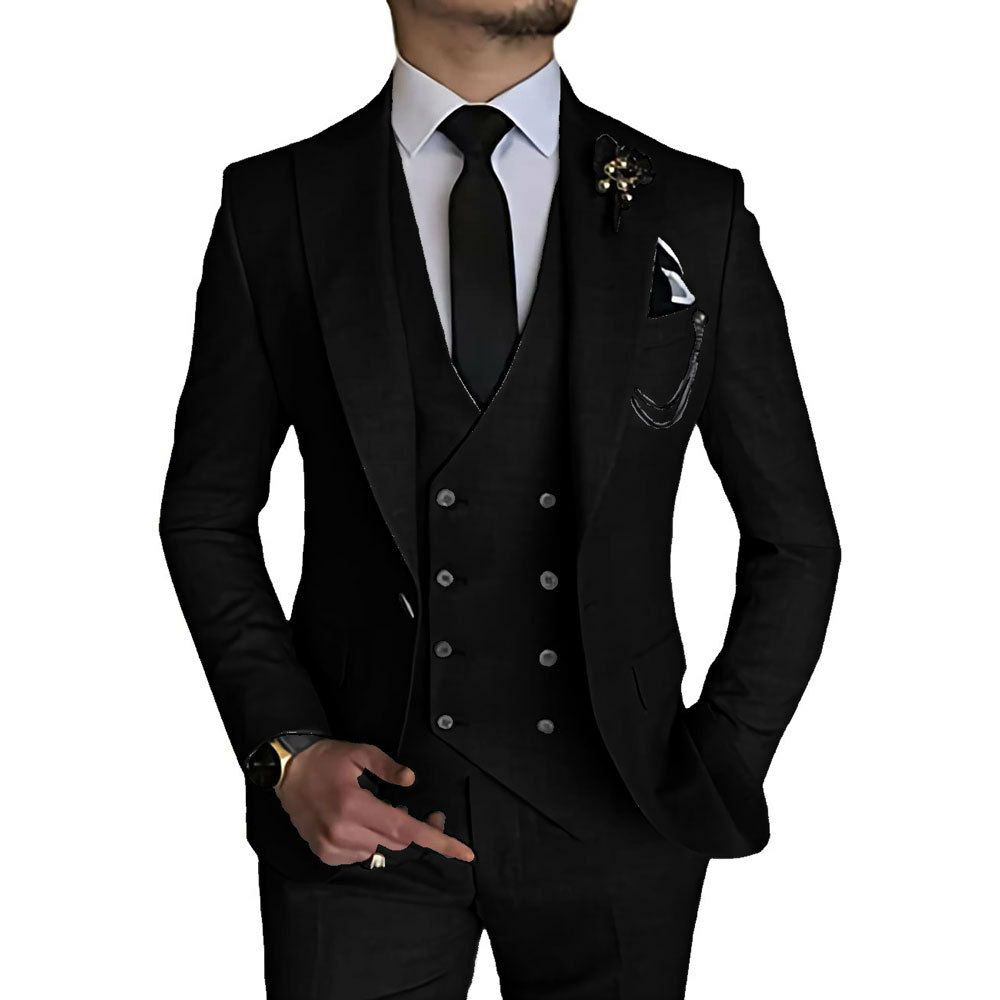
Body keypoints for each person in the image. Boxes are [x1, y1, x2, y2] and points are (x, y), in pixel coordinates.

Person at [160, 1, 840, 996]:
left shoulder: (692, 207)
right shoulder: (278, 206)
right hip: (356, 819)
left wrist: (719, 760)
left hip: (623, 819)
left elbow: (795, 537)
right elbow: (206, 513)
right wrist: (288, 750)